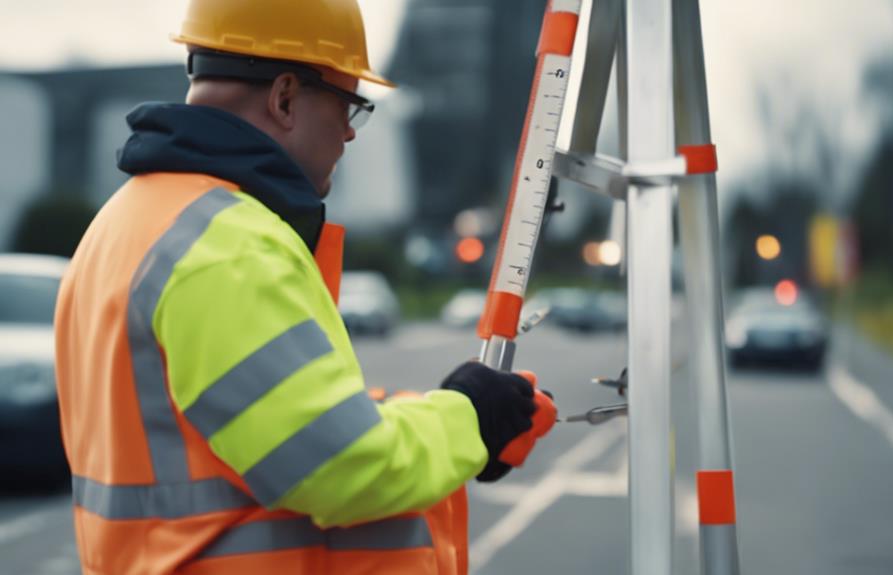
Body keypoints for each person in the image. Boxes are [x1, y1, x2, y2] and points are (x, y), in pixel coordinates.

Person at [52, 0, 555, 573]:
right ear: (285, 96)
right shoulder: (228, 244)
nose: (348, 133)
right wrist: (467, 418)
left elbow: (268, 427)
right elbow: (339, 467)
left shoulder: (132, 223)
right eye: (349, 106)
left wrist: (456, 423)